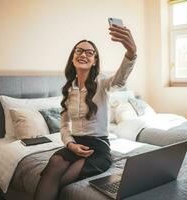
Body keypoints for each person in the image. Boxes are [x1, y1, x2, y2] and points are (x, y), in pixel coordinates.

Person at [34, 24, 137, 200]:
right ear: (73, 57)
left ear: (95, 60)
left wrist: (131, 52)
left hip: (98, 147)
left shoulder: (103, 83)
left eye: (89, 52)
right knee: (55, 162)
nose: (83, 54)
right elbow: (64, 125)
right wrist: (70, 144)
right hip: (75, 144)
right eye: (79, 51)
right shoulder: (68, 90)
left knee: (63, 180)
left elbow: (119, 80)